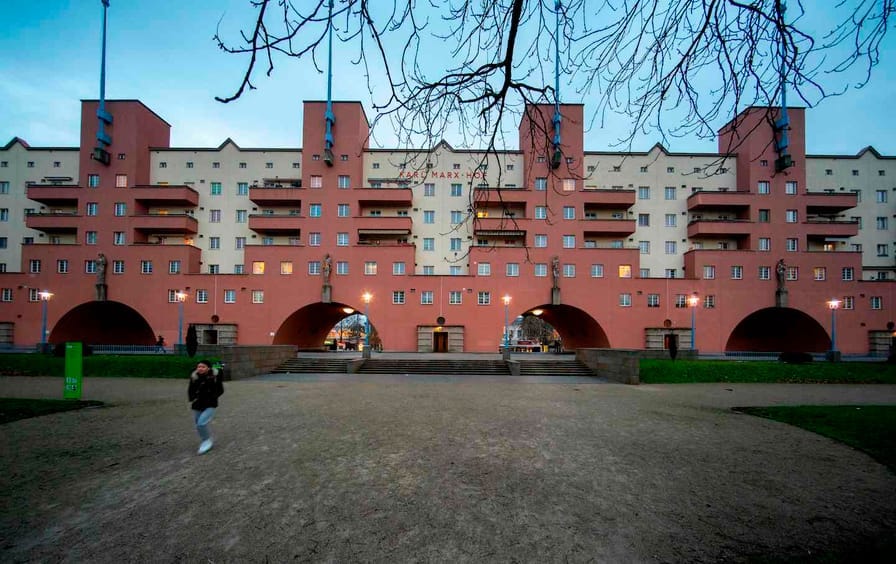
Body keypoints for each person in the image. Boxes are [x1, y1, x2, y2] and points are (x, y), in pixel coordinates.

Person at [187, 359, 224, 455]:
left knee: (201, 423)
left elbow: (220, 389)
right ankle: (206, 439)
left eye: (203, 367)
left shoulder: (214, 377)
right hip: (197, 403)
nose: (200, 368)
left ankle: (206, 441)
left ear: (208, 368)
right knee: (198, 424)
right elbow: (190, 389)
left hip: (210, 404)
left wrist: (213, 397)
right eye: (199, 367)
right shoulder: (194, 377)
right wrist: (192, 398)